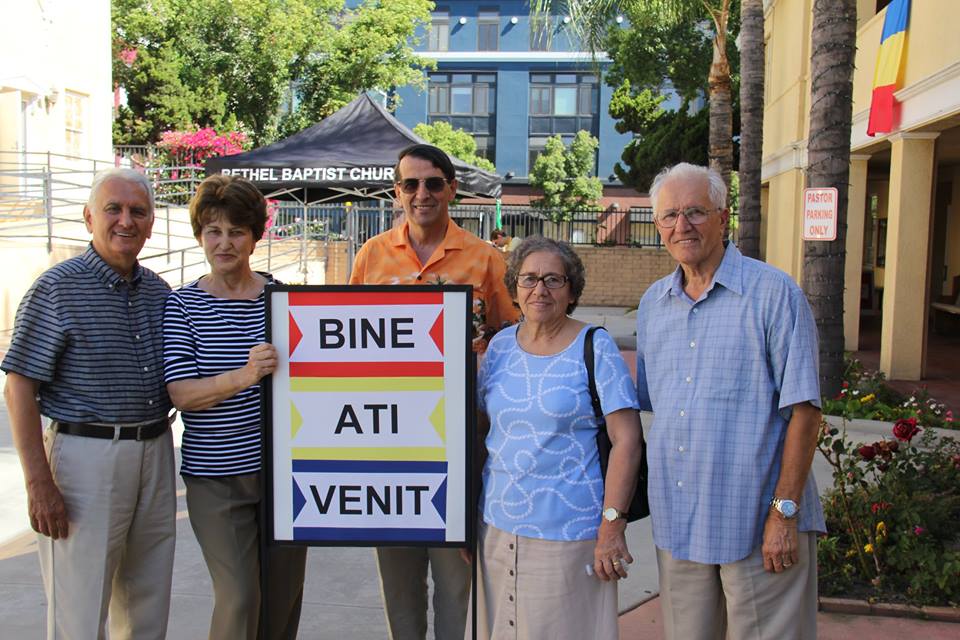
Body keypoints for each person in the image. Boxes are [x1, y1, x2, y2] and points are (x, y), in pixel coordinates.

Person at [635, 163, 825, 640]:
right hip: (680, 523)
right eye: (670, 215)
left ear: (723, 217)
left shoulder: (774, 294)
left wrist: (784, 513)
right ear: (658, 225)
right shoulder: (653, 304)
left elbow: (805, 412)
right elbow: (659, 408)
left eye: (695, 212)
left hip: (758, 522)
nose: (682, 225)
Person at [349, 143, 519, 639]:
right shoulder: (371, 256)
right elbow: (346, 340)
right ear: (397, 192)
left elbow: (511, 343)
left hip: (461, 440)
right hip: (388, 443)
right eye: (410, 184)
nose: (421, 193)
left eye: (433, 183)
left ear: (452, 189)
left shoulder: (486, 260)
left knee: (456, 583)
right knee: (398, 584)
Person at [2, 168, 176, 639]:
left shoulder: (158, 292)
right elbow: (18, 387)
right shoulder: (57, 288)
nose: (126, 221)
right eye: (113, 209)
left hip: (156, 453)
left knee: (147, 609)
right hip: (85, 461)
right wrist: (39, 482)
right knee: (78, 616)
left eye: (138, 211)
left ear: (151, 223)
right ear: (88, 218)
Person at [472, 236, 644, 639]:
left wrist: (612, 527)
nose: (540, 289)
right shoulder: (499, 348)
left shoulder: (595, 346)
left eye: (553, 279)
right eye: (529, 279)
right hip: (496, 526)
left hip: (569, 533)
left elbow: (627, 440)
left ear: (571, 291)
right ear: (515, 287)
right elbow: (483, 430)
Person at [162, 174, 307, 640]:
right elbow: (182, 394)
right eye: (213, 231)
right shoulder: (182, 306)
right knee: (240, 596)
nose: (224, 243)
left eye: (236, 231)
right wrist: (244, 376)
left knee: (282, 599)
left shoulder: (282, 298)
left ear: (255, 236)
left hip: (284, 475)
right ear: (200, 235)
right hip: (217, 477)